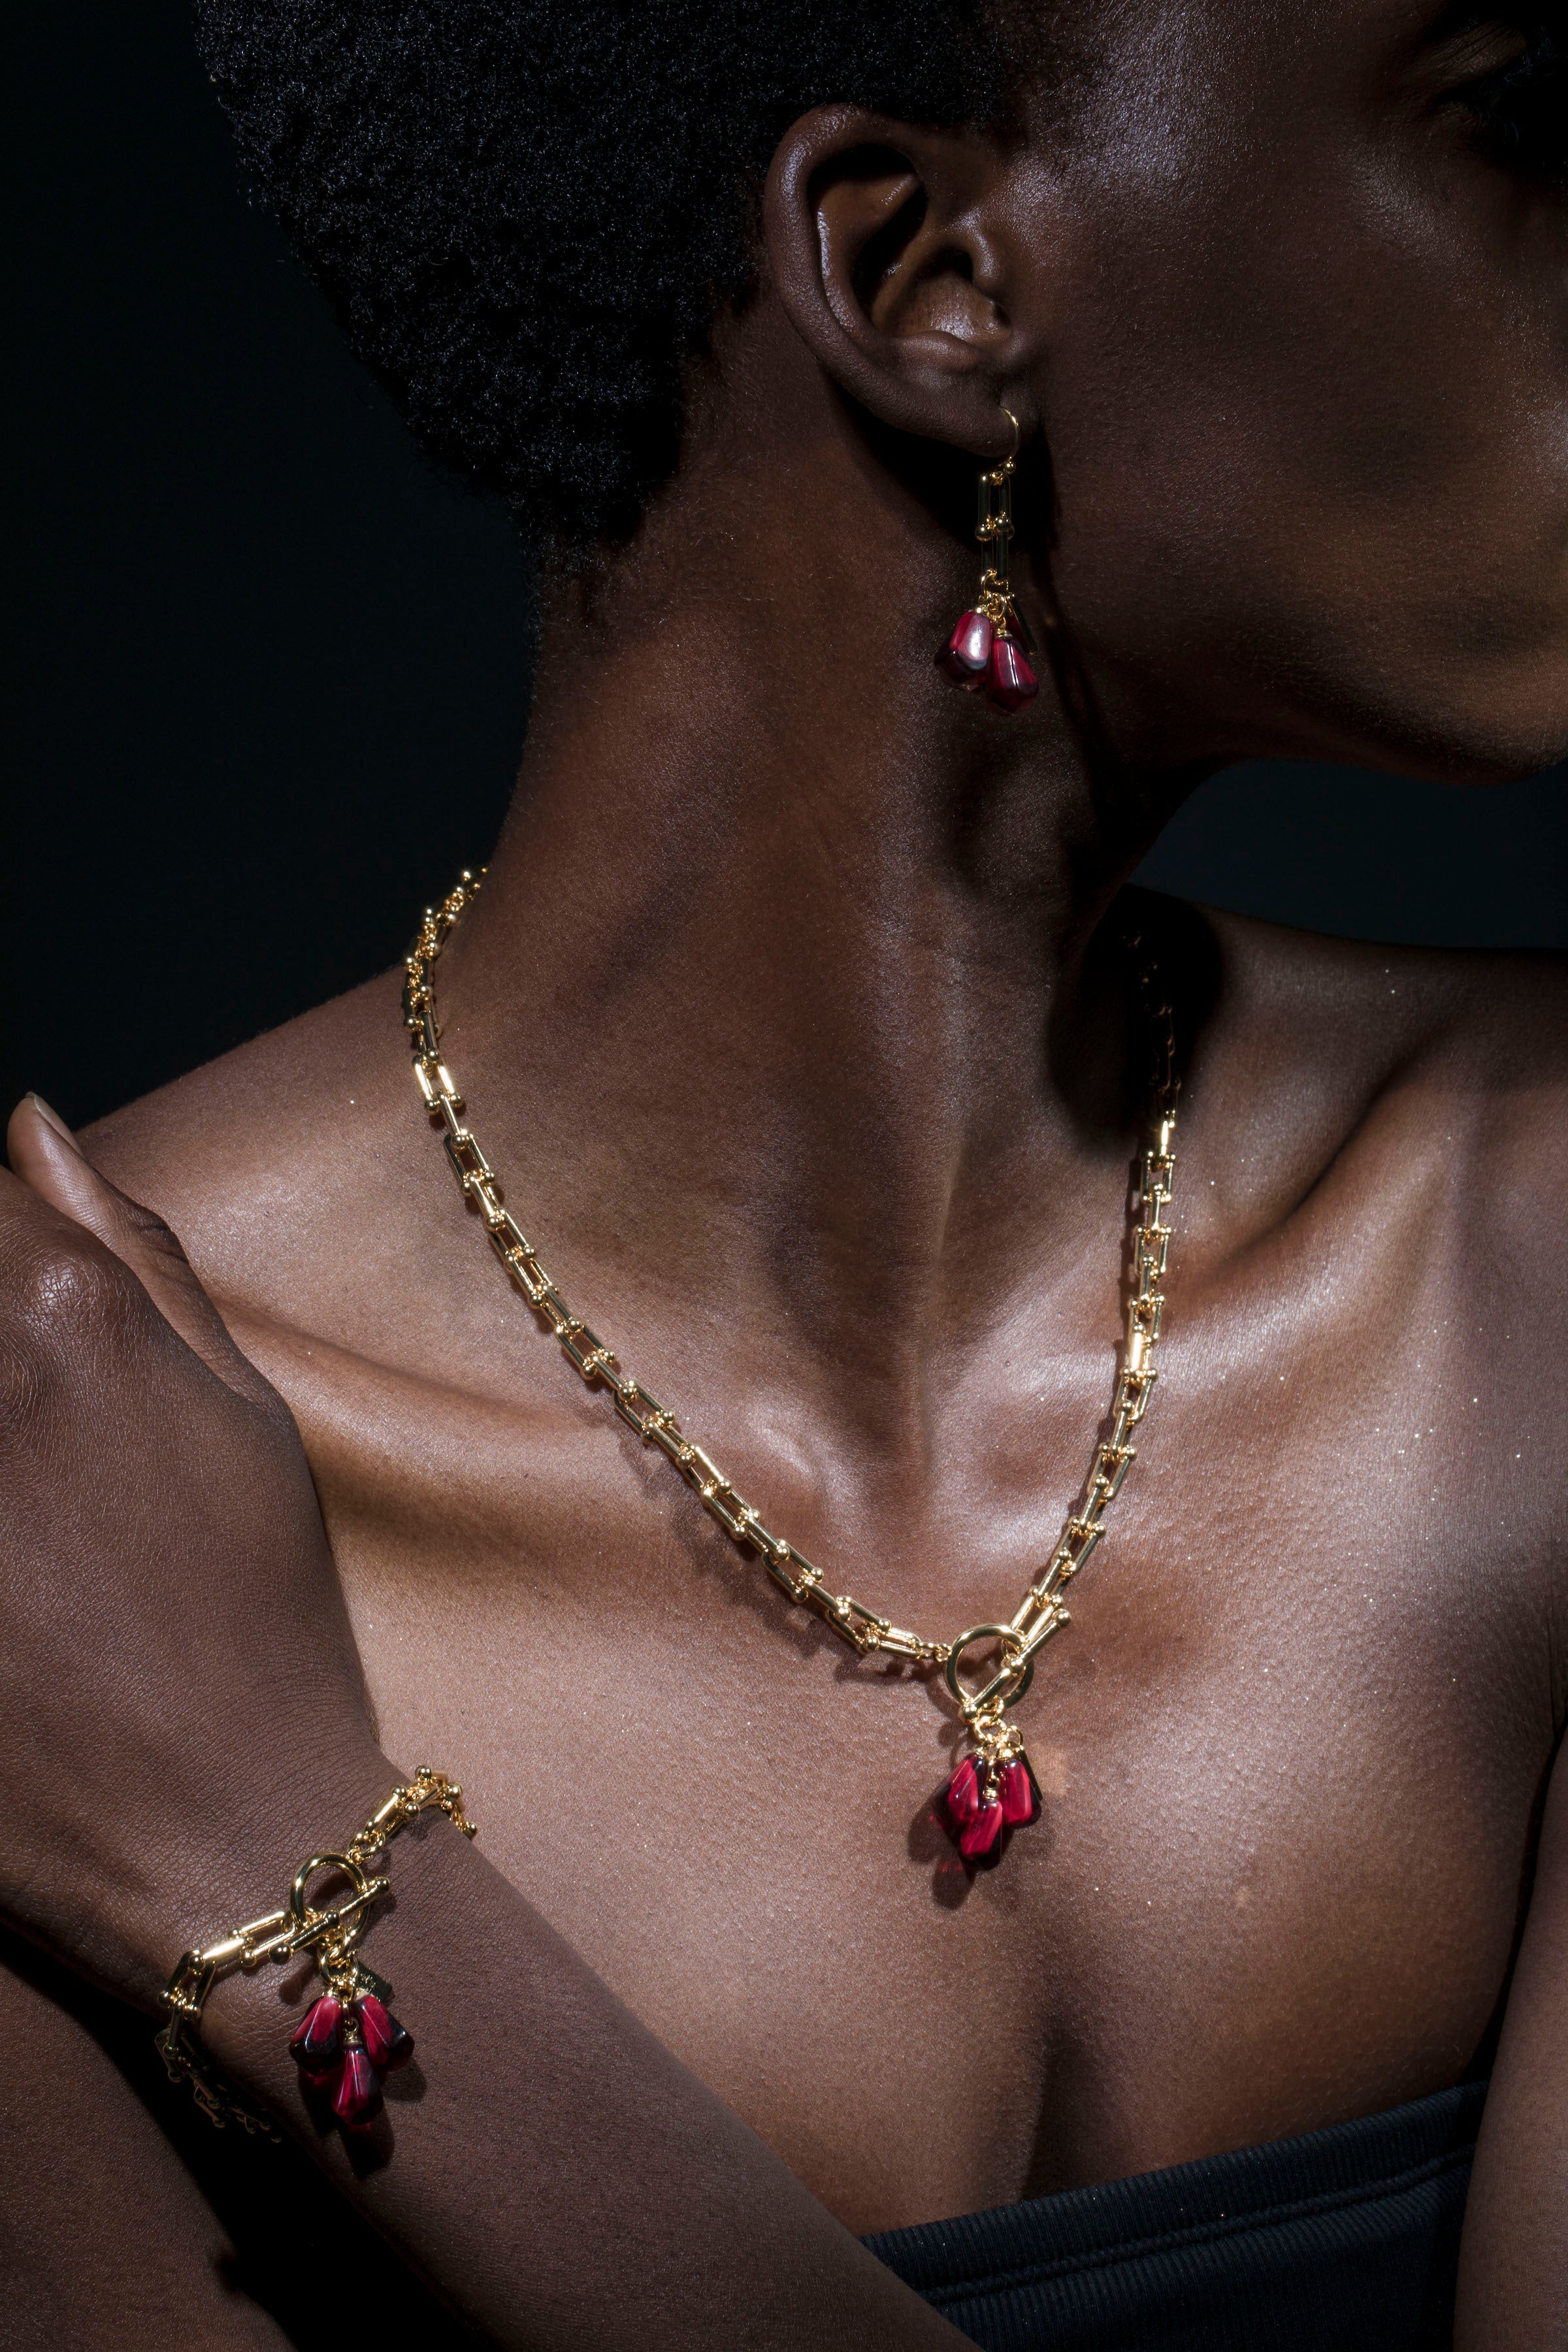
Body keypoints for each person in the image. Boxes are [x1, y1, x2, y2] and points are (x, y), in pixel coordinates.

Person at [4, 0, 1568, 2344]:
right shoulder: (61, 1511)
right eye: (1512, 120)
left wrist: (286, 1864)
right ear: (925, 277)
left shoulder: (1533, 1255)